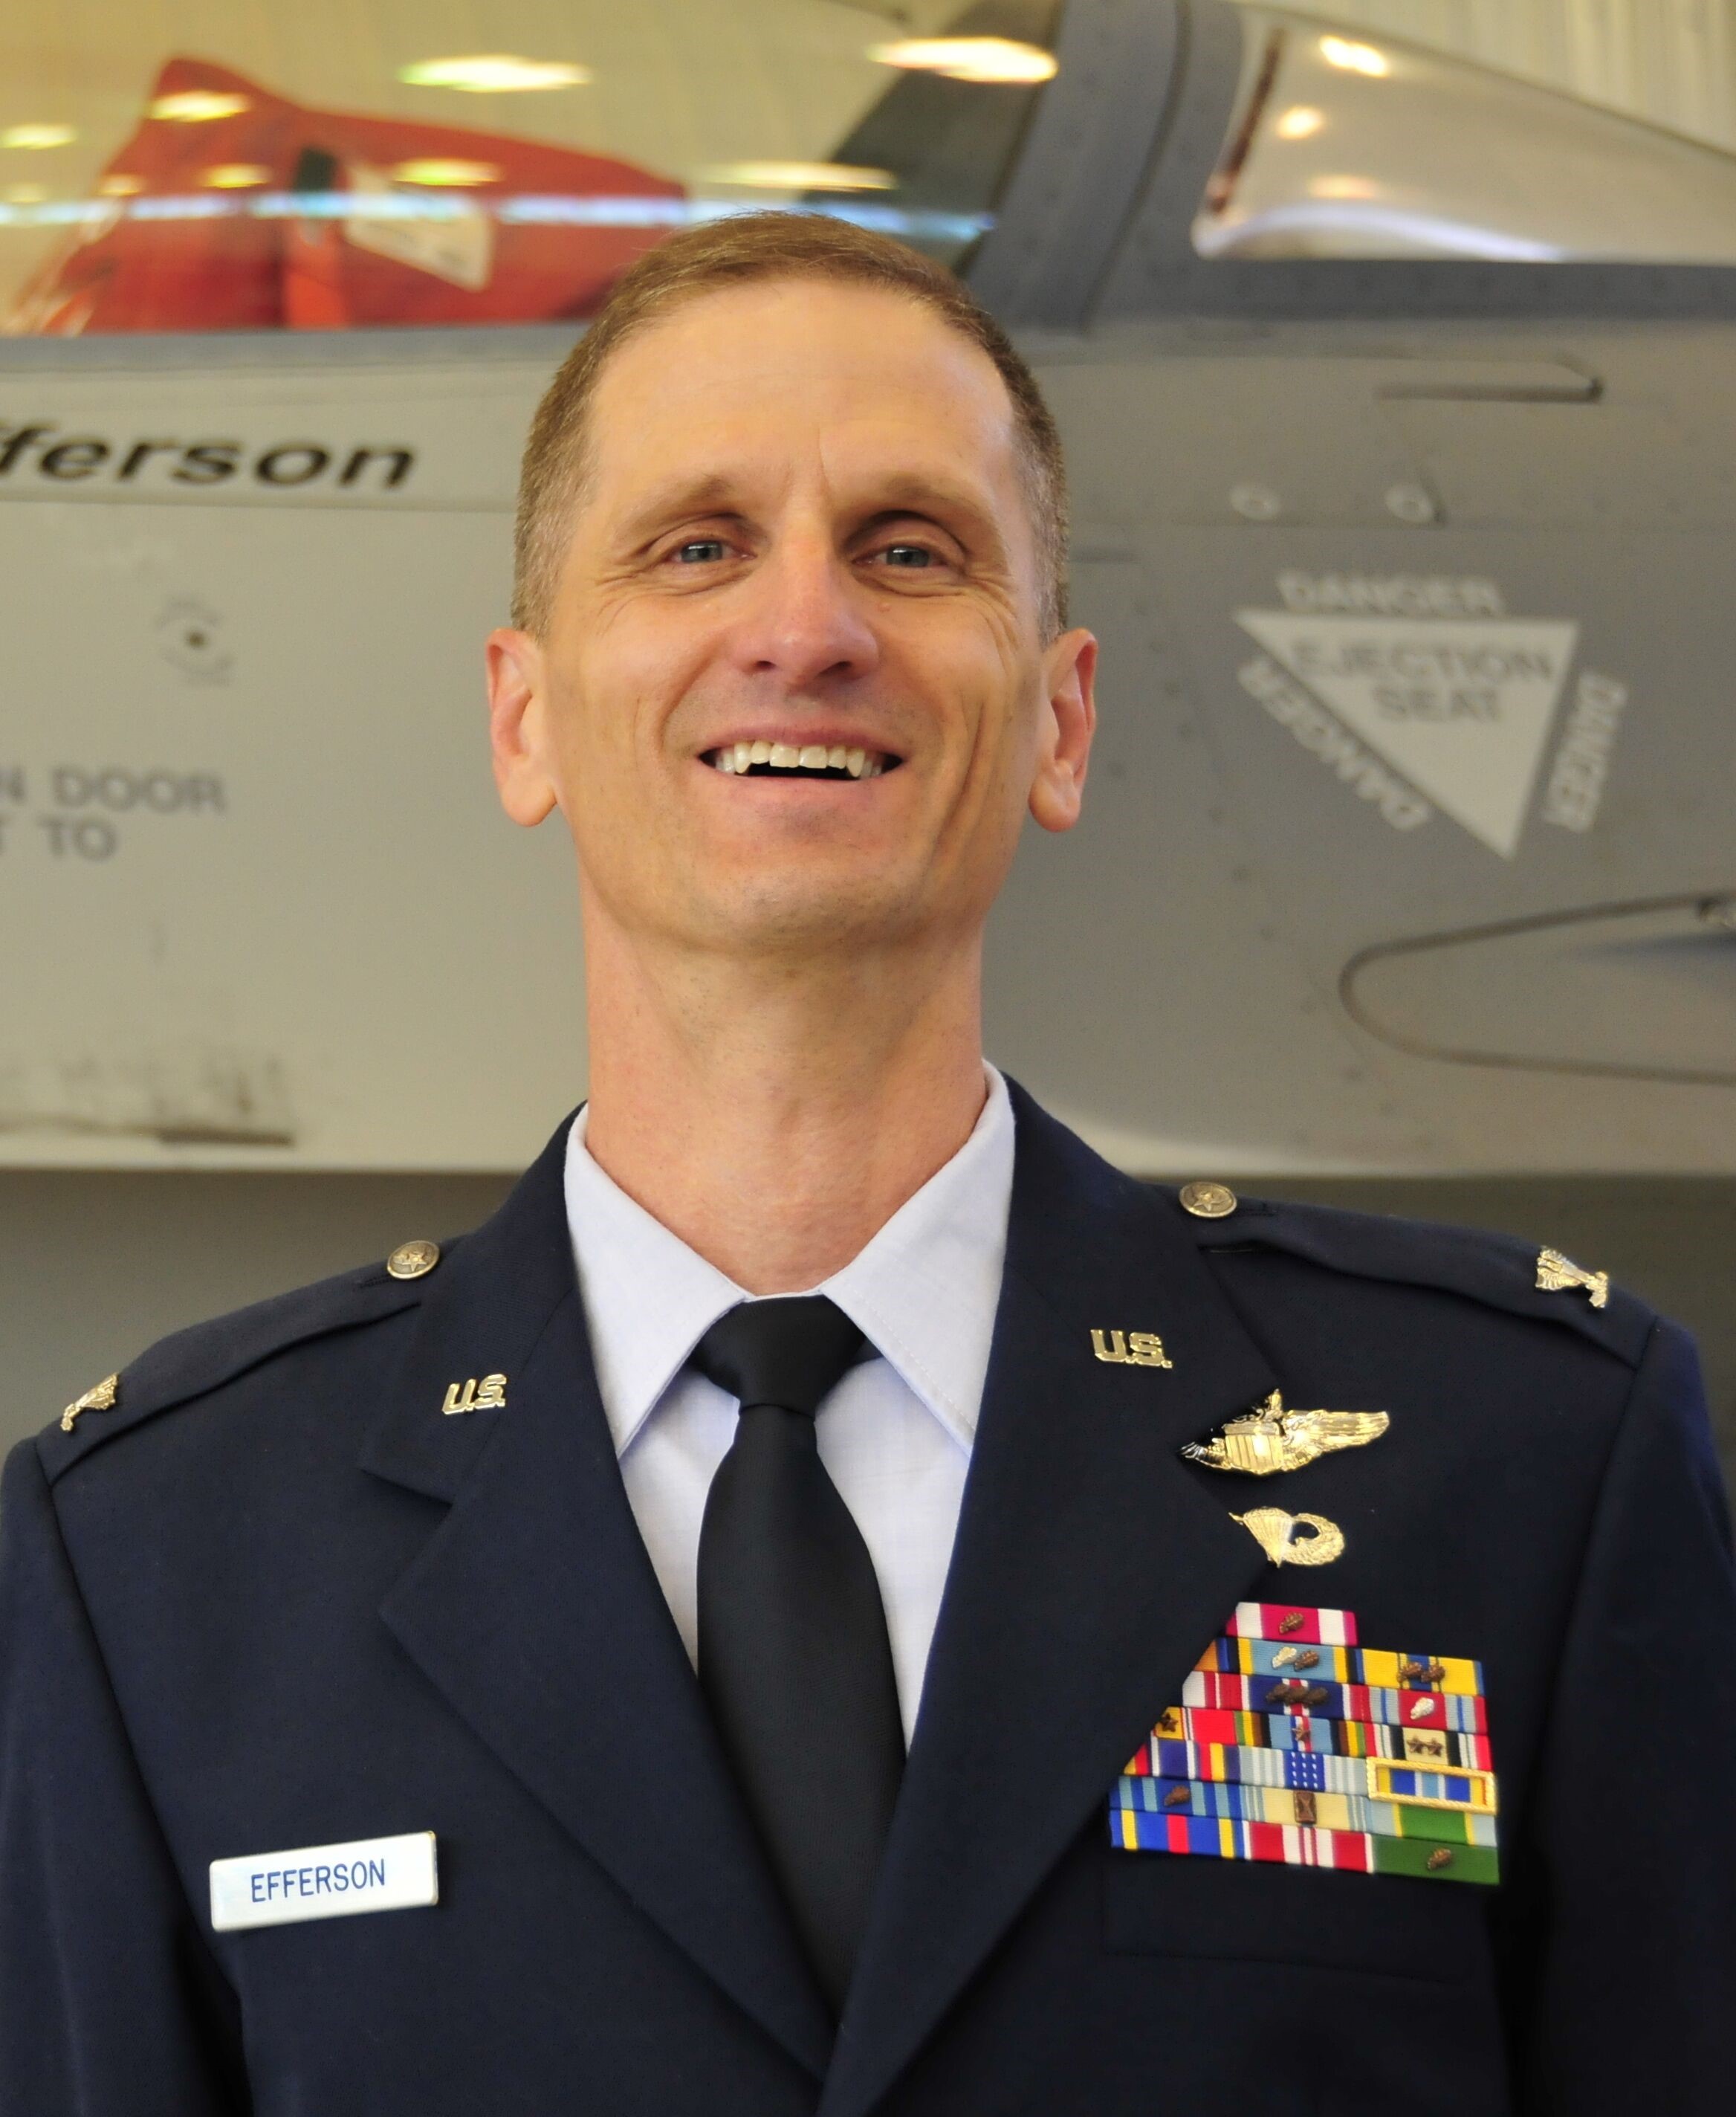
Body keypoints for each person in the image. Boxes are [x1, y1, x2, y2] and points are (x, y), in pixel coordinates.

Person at [1, 212, 1731, 2117]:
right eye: (695, 546)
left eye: (911, 549)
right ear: (523, 714)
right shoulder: (158, 1558)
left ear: (1060, 719)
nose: (807, 630)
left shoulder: (1523, 1465)